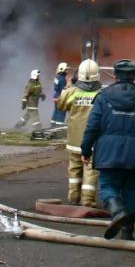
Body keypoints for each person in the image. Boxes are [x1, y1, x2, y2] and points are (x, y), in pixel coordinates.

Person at [81, 59, 135, 241]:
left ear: (116, 76)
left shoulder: (104, 97)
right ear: (134, 76)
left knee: (108, 186)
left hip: (108, 152)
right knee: (131, 189)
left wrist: (85, 150)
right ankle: (128, 232)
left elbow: (92, 127)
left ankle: (117, 212)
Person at [57, 59, 102, 207]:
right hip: (94, 142)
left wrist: (69, 85)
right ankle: (88, 201)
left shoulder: (71, 92)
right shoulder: (101, 94)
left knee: (74, 169)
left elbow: (61, 105)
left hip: (74, 141)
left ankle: (73, 197)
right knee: (90, 170)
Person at [52, 62, 69, 126]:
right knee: (61, 112)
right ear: (63, 70)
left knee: (56, 111)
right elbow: (63, 91)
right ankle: (58, 127)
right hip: (60, 98)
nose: (67, 71)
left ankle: (52, 126)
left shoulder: (57, 77)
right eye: (66, 70)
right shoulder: (62, 79)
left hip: (56, 96)